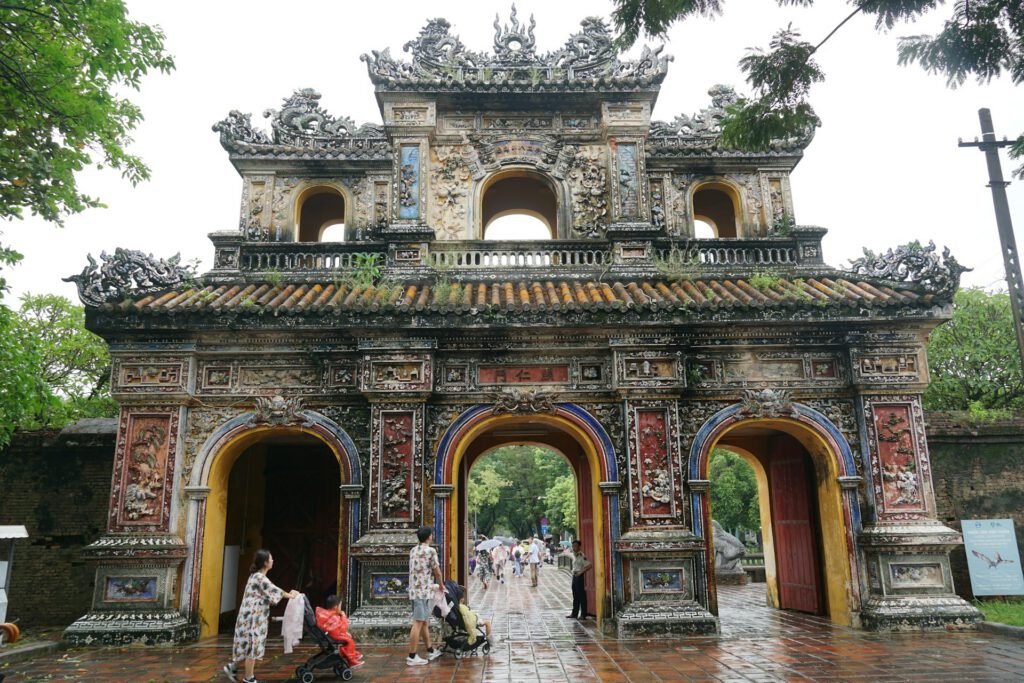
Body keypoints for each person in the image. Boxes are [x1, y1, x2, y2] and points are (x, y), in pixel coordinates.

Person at [223, 549, 299, 683]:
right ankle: (249, 678)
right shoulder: (260, 578)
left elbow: (269, 594)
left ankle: (233, 667)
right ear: (265, 563)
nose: (273, 561)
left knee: (247, 645)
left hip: (250, 616)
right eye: (271, 559)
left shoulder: (254, 576)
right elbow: (275, 591)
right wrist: (292, 595)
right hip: (252, 618)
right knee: (253, 645)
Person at [408, 526, 444, 666]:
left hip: (414, 590)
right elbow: (437, 571)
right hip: (422, 592)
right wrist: (441, 585)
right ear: (429, 537)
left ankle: (430, 649)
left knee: (424, 621)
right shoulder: (430, 551)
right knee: (418, 622)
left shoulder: (413, 550)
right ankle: (412, 656)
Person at [315, 594, 365, 670]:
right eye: (340, 606)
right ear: (336, 607)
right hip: (334, 636)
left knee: (348, 637)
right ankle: (351, 660)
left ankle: (353, 654)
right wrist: (344, 616)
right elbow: (344, 627)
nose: (341, 608)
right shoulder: (334, 617)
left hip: (331, 634)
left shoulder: (329, 615)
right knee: (349, 641)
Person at [567, 540, 594, 620]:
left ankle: (583, 614)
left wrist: (580, 572)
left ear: (579, 546)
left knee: (581, 596)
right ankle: (574, 613)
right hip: (574, 576)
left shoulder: (581, 555)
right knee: (575, 595)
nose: (574, 547)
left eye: (575, 546)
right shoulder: (574, 555)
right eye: (573, 546)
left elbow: (589, 565)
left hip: (579, 576)